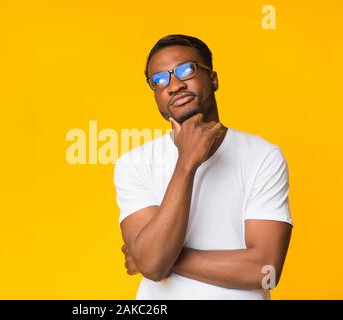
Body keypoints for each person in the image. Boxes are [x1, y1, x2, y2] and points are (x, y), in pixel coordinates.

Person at [113, 34, 293, 299]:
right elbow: (152, 264)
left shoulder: (263, 156)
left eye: (186, 70)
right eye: (160, 80)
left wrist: (155, 259)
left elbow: (265, 271)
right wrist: (186, 162)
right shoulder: (133, 163)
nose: (174, 85)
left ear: (213, 79)